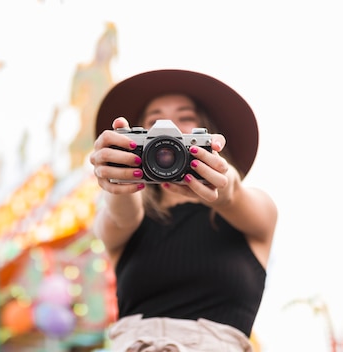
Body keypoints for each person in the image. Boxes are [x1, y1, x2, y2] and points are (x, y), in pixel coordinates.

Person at [89, 69, 277, 351]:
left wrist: (221, 186)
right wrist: (118, 176)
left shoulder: (253, 212)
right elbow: (120, 215)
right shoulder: (130, 219)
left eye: (185, 118)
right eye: (154, 121)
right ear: (137, 141)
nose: (170, 128)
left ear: (207, 135)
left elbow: (234, 193)